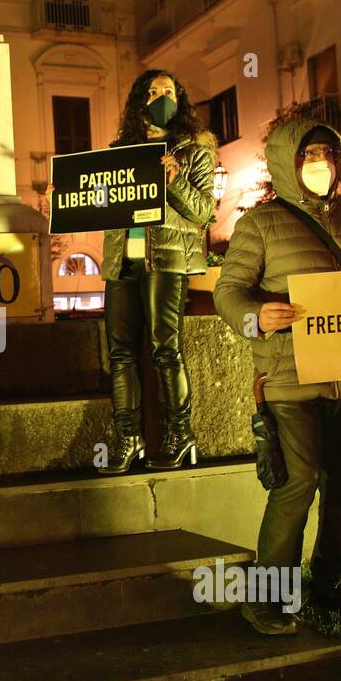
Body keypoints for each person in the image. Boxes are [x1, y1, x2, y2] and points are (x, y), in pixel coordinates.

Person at [215, 118, 341, 635]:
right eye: (309, 156)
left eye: (329, 156)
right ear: (289, 161)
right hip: (289, 380)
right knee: (298, 483)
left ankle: (331, 582)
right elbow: (229, 291)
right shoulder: (259, 224)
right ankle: (268, 598)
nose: (321, 166)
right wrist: (257, 317)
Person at [94, 70, 218, 474]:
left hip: (167, 259)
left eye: (167, 91)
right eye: (152, 92)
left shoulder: (194, 150)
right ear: (139, 101)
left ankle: (181, 435)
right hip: (121, 260)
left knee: (166, 349)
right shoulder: (121, 150)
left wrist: (175, 179)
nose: (159, 97)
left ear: (179, 99)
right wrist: (68, 197)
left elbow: (202, 212)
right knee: (120, 353)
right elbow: (101, 203)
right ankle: (129, 438)